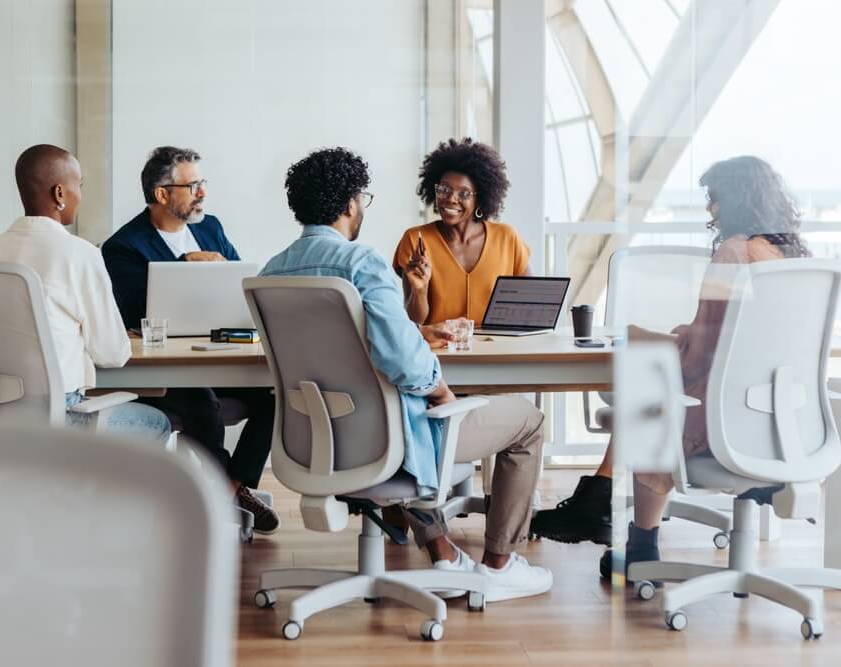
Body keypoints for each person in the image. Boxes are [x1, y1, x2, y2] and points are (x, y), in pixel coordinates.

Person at [260, 147, 553, 601]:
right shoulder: (361, 263)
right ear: (350, 204)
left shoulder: (271, 273)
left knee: (420, 411)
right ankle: (499, 565)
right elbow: (404, 359)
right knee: (528, 422)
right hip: (386, 439)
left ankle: (444, 554)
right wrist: (441, 391)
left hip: (313, 443)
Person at [527, 156, 811, 577]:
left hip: (724, 421)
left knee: (648, 399)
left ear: (735, 200)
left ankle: (638, 541)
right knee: (652, 389)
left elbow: (700, 359)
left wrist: (644, 335)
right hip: (783, 422)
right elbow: (735, 345)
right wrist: (683, 335)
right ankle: (601, 499)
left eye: (714, 198)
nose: (710, 209)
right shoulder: (795, 259)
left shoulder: (734, 253)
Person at [102, 146, 278, 534]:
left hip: (222, 355)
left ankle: (229, 489)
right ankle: (228, 494)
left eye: (202, 183)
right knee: (203, 403)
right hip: (166, 371)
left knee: (277, 394)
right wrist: (183, 267)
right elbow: (132, 313)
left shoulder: (210, 228)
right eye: (192, 185)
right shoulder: (123, 247)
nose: (202, 193)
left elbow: (240, 286)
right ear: (162, 193)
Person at [0, 144, 171, 443]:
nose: (80, 194)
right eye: (78, 185)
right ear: (59, 194)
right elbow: (112, 353)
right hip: (59, 416)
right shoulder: (79, 254)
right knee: (158, 424)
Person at [393, 138, 531, 326]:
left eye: (464, 193)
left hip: (497, 351)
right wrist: (420, 292)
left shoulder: (507, 238)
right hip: (438, 353)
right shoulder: (416, 240)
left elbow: (531, 306)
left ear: (479, 198)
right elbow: (413, 323)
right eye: (444, 189)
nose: (451, 199)